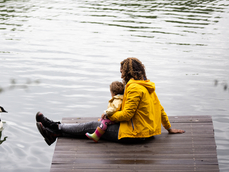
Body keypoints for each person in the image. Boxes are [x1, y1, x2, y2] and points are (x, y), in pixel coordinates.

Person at [36, 57, 185, 145]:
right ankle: (53, 131)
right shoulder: (147, 86)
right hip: (145, 131)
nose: (121, 76)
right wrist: (168, 128)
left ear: (127, 72)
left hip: (135, 135)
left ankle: (55, 129)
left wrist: (108, 116)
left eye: (122, 72)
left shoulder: (134, 88)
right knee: (94, 126)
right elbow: (160, 109)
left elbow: (127, 115)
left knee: (93, 125)